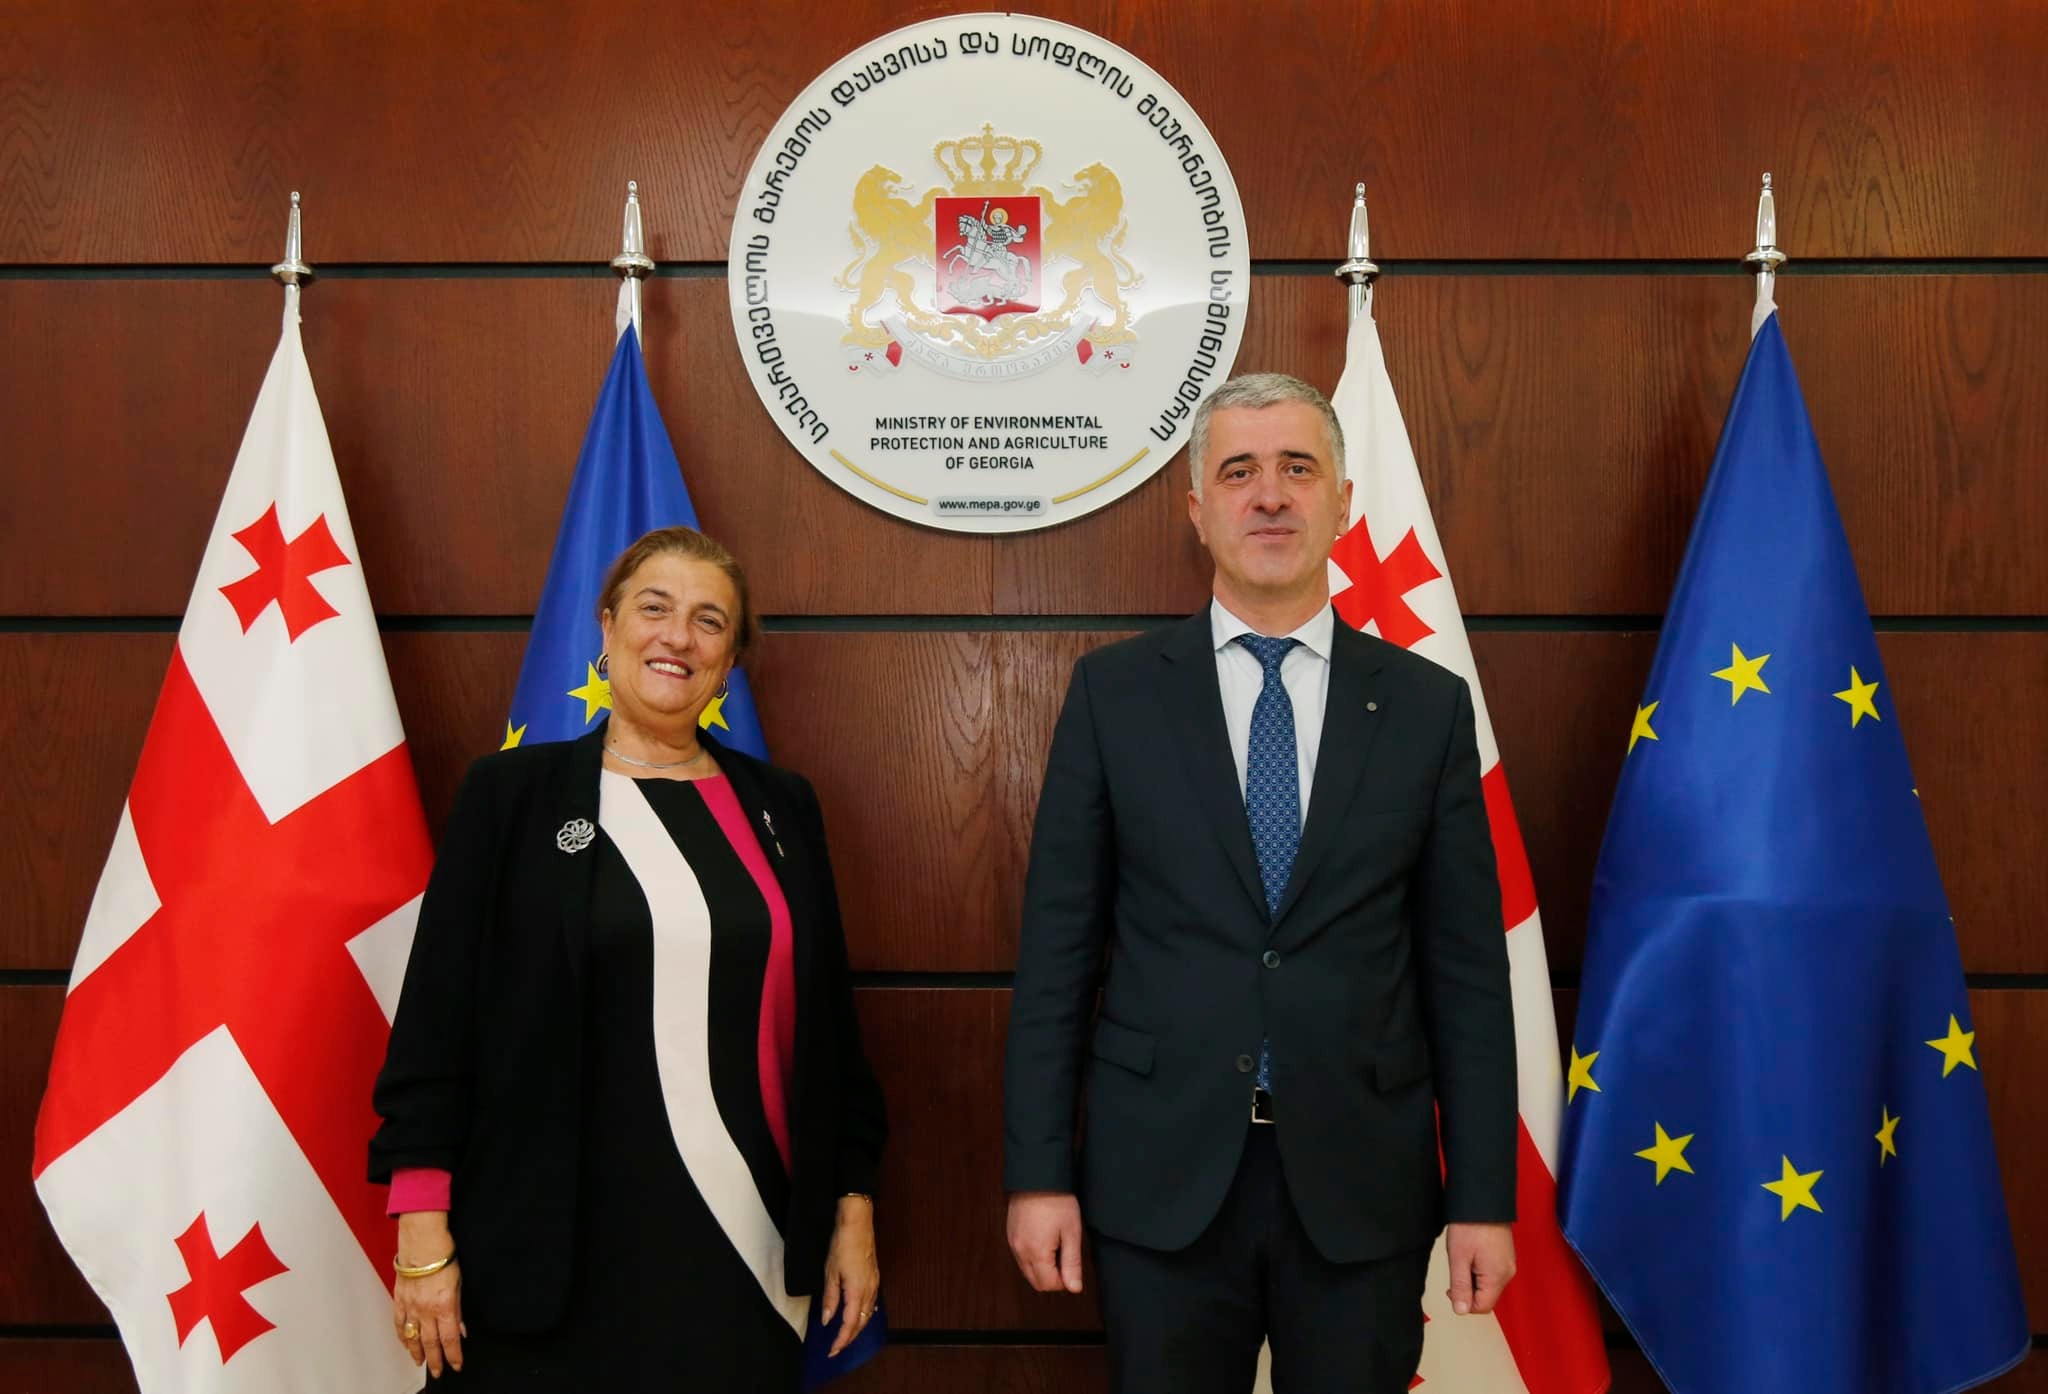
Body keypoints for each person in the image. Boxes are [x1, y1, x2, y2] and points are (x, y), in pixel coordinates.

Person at [1002, 373, 1518, 1393]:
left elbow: (1465, 974)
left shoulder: (1426, 707)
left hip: (1362, 1184)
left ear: (1342, 502)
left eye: (1297, 469)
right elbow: (1057, 959)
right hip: (1159, 1179)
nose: (1270, 495)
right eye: (1238, 472)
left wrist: (1483, 1198)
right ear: (1198, 510)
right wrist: (1037, 1174)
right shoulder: (1113, 694)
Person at [369, 526, 886, 1390]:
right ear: (607, 627)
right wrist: (422, 1230)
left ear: (729, 661)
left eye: (709, 621)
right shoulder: (510, 797)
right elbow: (435, 1024)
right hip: (545, 1258)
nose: (678, 636)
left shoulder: (785, 808)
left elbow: (832, 1033)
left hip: (743, 1249)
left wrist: (853, 1204)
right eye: (655, 608)